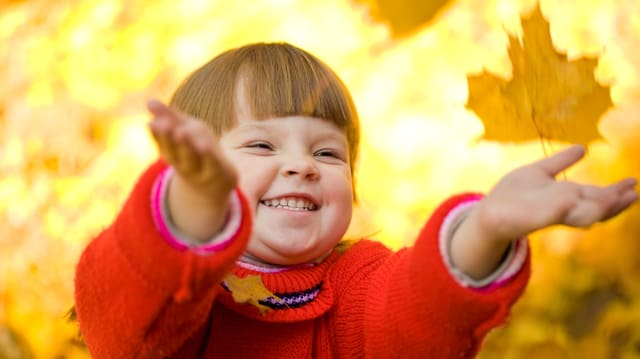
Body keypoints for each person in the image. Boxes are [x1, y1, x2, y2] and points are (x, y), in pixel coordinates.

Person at [73, 42, 638, 358]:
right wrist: (195, 207)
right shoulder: (188, 297)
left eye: (327, 154)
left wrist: (487, 227)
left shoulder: (354, 282)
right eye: (262, 144)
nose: (301, 165)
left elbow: (409, 315)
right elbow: (125, 326)